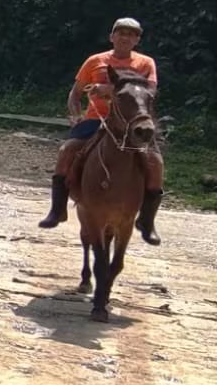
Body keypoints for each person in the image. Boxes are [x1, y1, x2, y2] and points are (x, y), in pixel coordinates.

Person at [38, 17, 163, 244]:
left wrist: (108, 89)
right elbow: (75, 93)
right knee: (67, 151)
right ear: (112, 37)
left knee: (156, 162)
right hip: (97, 119)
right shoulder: (95, 61)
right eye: (121, 33)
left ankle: (147, 220)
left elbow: (150, 91)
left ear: (137, 40)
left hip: (132, 122)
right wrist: (75, 115)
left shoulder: (146, 63)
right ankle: (57, 209)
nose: (125, 38)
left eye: (131, 35)